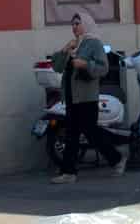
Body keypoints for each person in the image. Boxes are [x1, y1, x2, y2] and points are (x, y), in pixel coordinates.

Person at [52, 12, 125, 181]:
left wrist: (85, 64)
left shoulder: (94, 44)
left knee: (91, 132)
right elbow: (56, 66)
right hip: (71, 96)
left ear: (86, 24)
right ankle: (68, 172)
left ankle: (117, 158)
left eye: (78, 23)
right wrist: (65, 49)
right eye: (72, 24)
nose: (74, 27)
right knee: (71, 134)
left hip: (87, 97)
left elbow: (103, 68)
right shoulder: (74, 44)